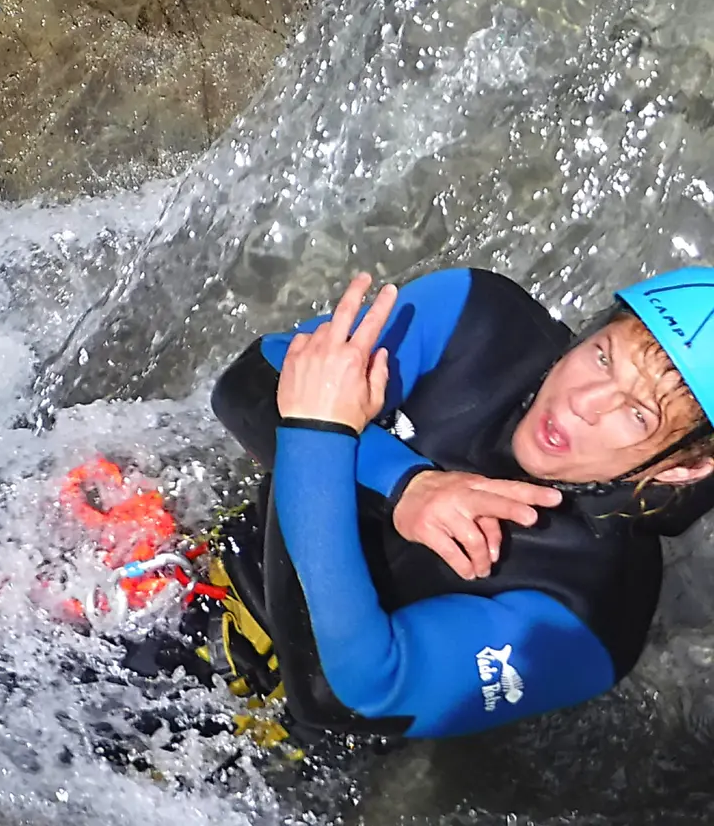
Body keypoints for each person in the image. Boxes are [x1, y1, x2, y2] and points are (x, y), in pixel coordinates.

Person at [207, 265, 714, 741]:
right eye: (602, 356)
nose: (584, 402)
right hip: (204, 561)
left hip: (257, 729)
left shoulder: (593, 614)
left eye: (637, 414)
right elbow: (249, 382)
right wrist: (402, 484)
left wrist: (323, 437)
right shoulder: (475, 318)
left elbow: (344, 695)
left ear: (683, 469)